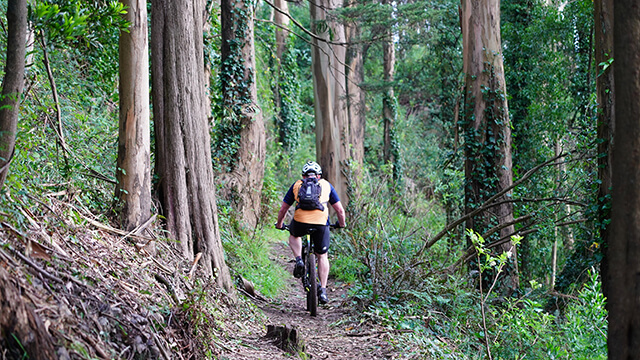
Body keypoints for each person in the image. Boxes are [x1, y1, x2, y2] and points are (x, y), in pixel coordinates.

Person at [275, 161, 346, 304]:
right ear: (319, 176)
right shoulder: (326, 185)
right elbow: (340, 210)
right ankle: (324, 291)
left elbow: (283, 209)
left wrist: (280, 224)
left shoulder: (297, 185)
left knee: (294, 234)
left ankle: (299, 260)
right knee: (322, 255)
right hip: (321, 224)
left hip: (300, 221)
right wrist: (341, 224)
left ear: (303, 176)